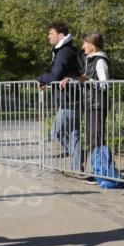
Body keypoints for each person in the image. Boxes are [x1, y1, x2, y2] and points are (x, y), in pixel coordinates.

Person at [63, 31, 110, 183]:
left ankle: (101, 173)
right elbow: (86, 78)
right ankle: (98, 171)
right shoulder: (90, 59)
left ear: (93, 45)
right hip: (90, 104)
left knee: (96, 138)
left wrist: (88, 80)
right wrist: (73, 78)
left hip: (97, 104)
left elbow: (104, 84)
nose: (83, 46)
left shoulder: (100, 60)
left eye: (85, 43)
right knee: (92, 138)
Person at [37, 21, 82, 172]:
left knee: (55, 133)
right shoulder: (68, 51)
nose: (48, 36)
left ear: (61, 35)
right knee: (74, 134)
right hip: (73, 97)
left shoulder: (63, 52)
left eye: (51, 33)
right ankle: (77, 168)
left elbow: (55, 75)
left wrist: (41, 78)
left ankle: (79, 157)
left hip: (69, 99)